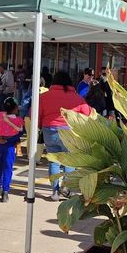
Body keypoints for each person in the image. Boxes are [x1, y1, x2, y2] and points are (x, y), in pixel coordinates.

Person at [38, 71, 92, 201]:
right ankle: (67, 188)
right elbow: (88, 112)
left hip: (49, 131)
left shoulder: (44, 96)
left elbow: (37, 115)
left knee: (54, 161)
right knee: (69, 162)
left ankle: (54, 193)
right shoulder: (76, 98)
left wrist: (41, 126)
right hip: (69, 132)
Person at [0, 97, 24, 202]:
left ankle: (0, 185)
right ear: (15, 108)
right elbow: (20, 133)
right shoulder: (19, 120)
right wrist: (9, 139)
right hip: (9, 145)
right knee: (8, 167)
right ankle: (5, 191)